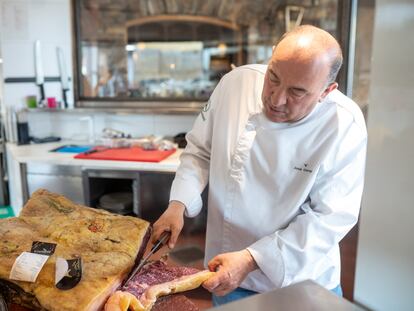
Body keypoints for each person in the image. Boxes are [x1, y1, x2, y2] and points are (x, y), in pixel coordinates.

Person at [152, 25, 367, 306]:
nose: (276, 99)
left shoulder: (344, 124)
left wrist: (253, 259)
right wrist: (177, 205)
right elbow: (200, 151)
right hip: (227, 273)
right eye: (273, 77)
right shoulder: (234, 85)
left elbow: (328, 219)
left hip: (300, 280)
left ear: (327, 91)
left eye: (297, 92)